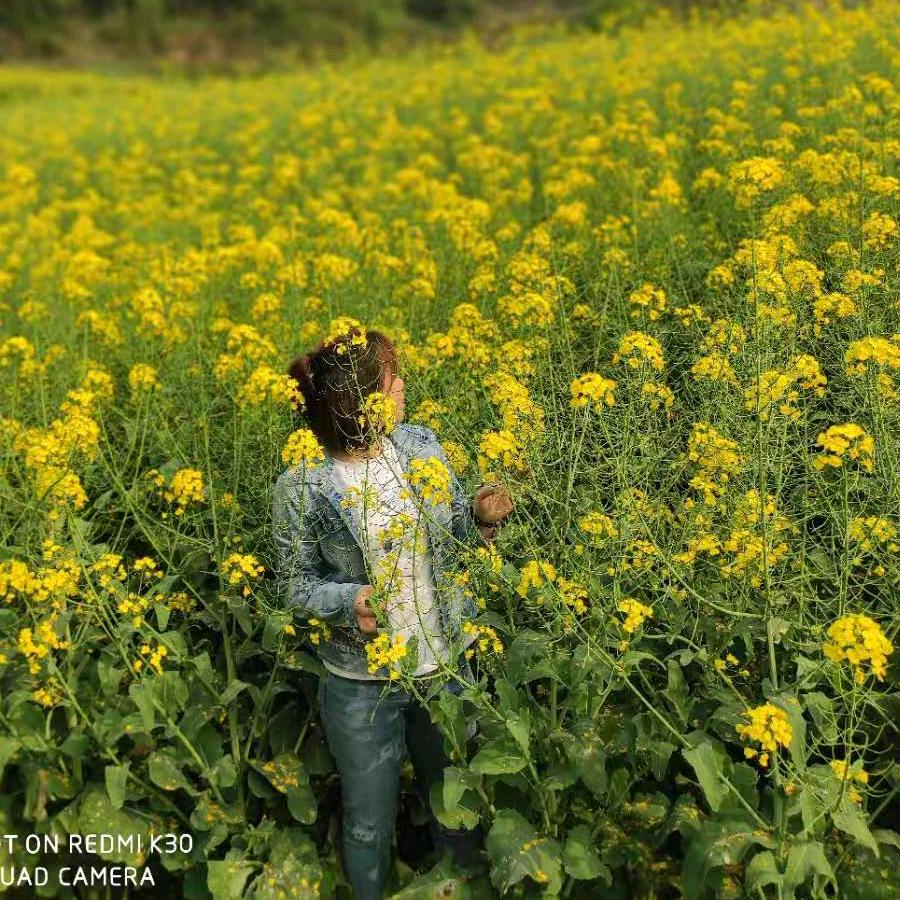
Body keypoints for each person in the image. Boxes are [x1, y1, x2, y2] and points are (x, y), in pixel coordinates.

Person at [271, 324, 513, 899]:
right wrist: (347, 601)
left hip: (442, 667)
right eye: (390, 383)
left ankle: (466, 886)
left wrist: (480, 519)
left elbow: (452, 531)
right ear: (360, 404)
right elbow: (291, 584)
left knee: (456, 803)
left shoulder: (421, 446)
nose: (403, 389)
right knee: (366, 821)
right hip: (360, 683)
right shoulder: (301, 485)